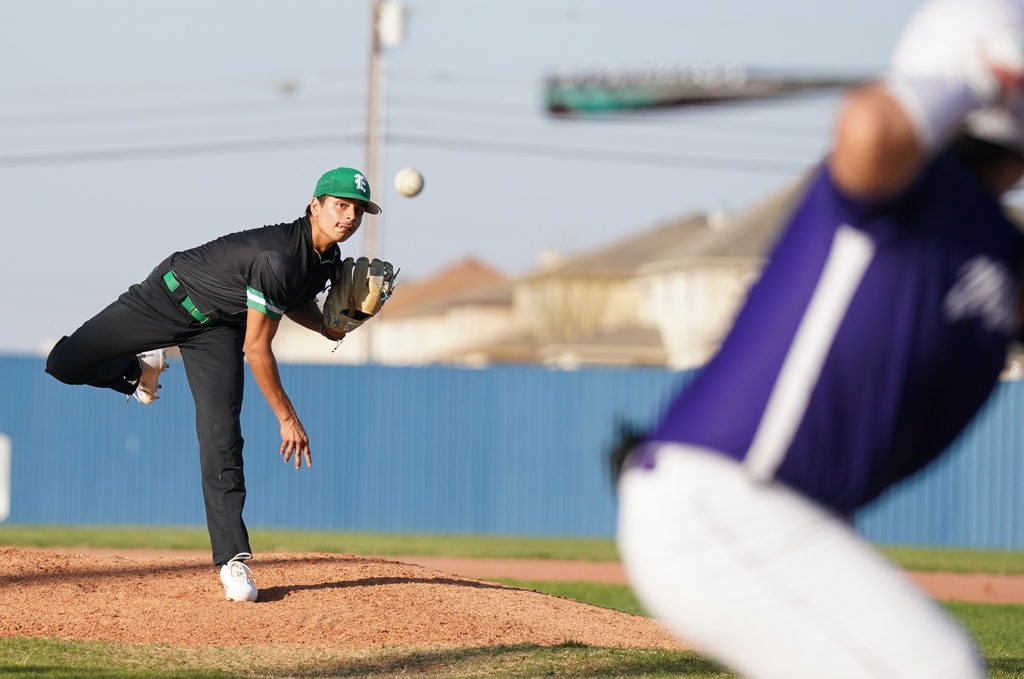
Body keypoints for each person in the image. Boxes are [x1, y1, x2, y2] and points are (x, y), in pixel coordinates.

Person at [614, 1, 1024, 677]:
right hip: (727, 499)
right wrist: (974, 80)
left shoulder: (993, 242)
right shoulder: (907, 185)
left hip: (782, 517)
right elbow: (868, 126)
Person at [45, 166, 380, 602]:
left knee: (221, 434)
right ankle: (137, 370)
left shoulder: (326, 262)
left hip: (218, 330)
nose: (349, 217)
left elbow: (293, 300)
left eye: (357, 210)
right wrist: (287, 417)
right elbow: (257, 350)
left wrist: (330, 329)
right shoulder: (278, 257)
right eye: (340, 205)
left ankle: (231, 561)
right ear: (315, 206)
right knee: (64, 363)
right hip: (167, 296)